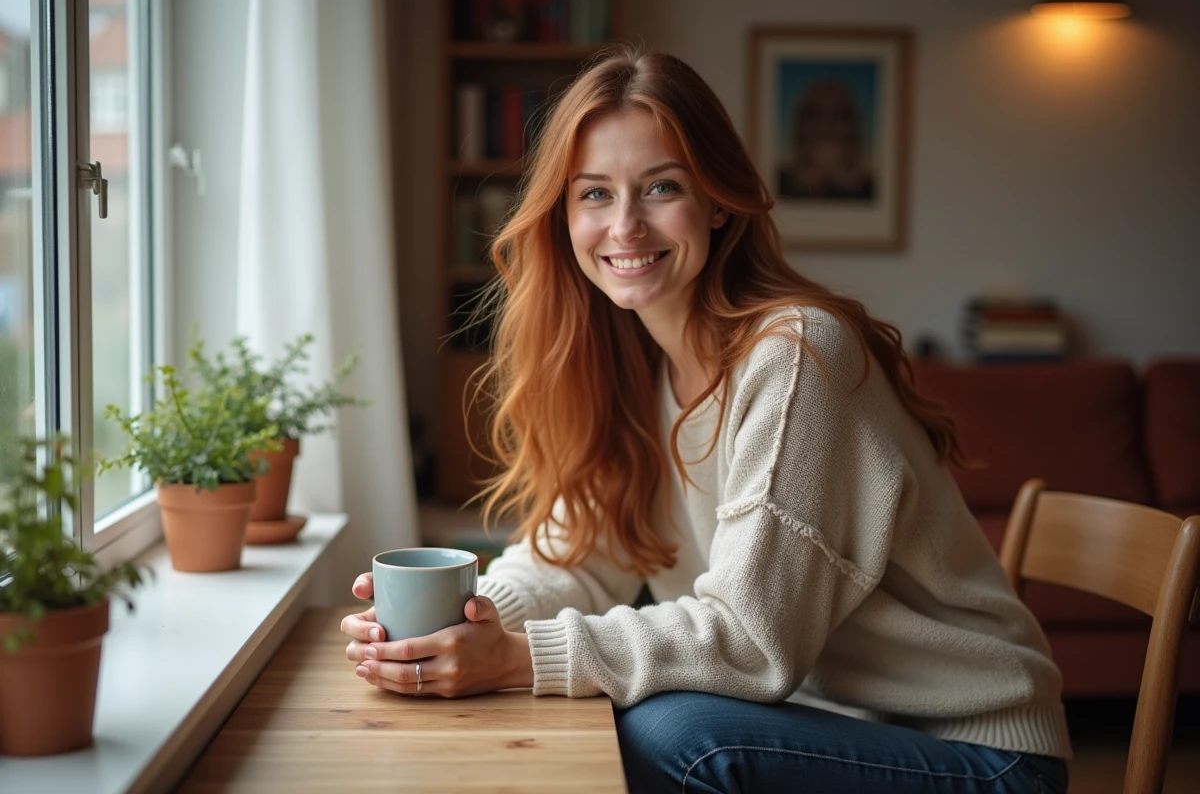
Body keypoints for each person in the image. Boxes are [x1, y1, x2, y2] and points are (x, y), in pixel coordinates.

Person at [341, 46, 1071, 793]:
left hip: (980, 752)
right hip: (828, 723)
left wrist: (521, 658)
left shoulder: (796, 357)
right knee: (629, 710)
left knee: (668, 728)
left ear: (719, 201)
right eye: (594, 194)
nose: (625, 225)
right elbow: (580, 557)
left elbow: (751, 639)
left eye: (661, 187)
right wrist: (460, 622)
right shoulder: (634, 364)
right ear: (564, 216)